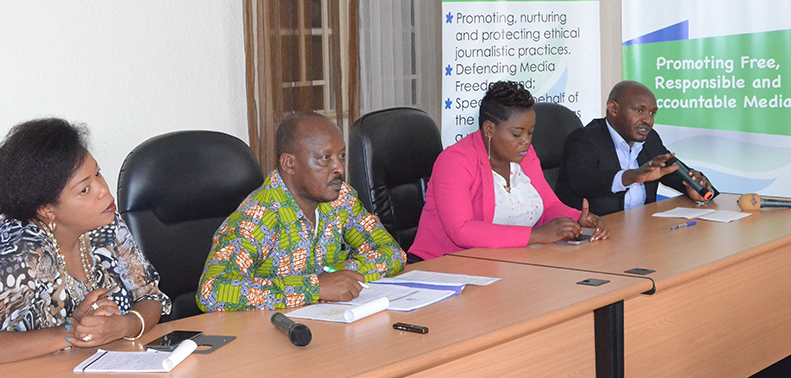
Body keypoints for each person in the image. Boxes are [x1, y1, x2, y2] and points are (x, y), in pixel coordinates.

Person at [0, 119, 170, 372]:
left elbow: (150, 296)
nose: (104, 191)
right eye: (84, 190)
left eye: (97, 174)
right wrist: (69, 333)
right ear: (46, 210)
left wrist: (126, 325)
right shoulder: (22, 254)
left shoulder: (106, 223)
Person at [197, 112, 406, 311]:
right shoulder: (258, 216)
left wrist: (342, 276)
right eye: (325, 158)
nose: (340, 169)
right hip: (273, 330)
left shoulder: (342, 200)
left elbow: (392, 253)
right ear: (289, 164)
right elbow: (212, 291)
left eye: (341, 156)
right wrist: (314, 288)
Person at [408, 81, 609, 261]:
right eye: (516, 134)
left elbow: (548, 206)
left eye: (530, 133)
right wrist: (536, 235)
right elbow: (461, 230)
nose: (526, 141)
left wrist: (577, 219)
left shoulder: (524, 154)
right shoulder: (455, 161)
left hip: (506, 263)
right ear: (489, 129)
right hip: (445, 266)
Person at [555, 80, 715, 216]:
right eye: (639, 111)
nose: (648, 121)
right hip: (595, 233)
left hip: (642, 229)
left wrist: (694, 188)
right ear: (613, 109)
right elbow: (584, 181)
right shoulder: (583, 139)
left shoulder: (650, 139)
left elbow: (671, 171)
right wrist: (632, 176)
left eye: (652, 113)